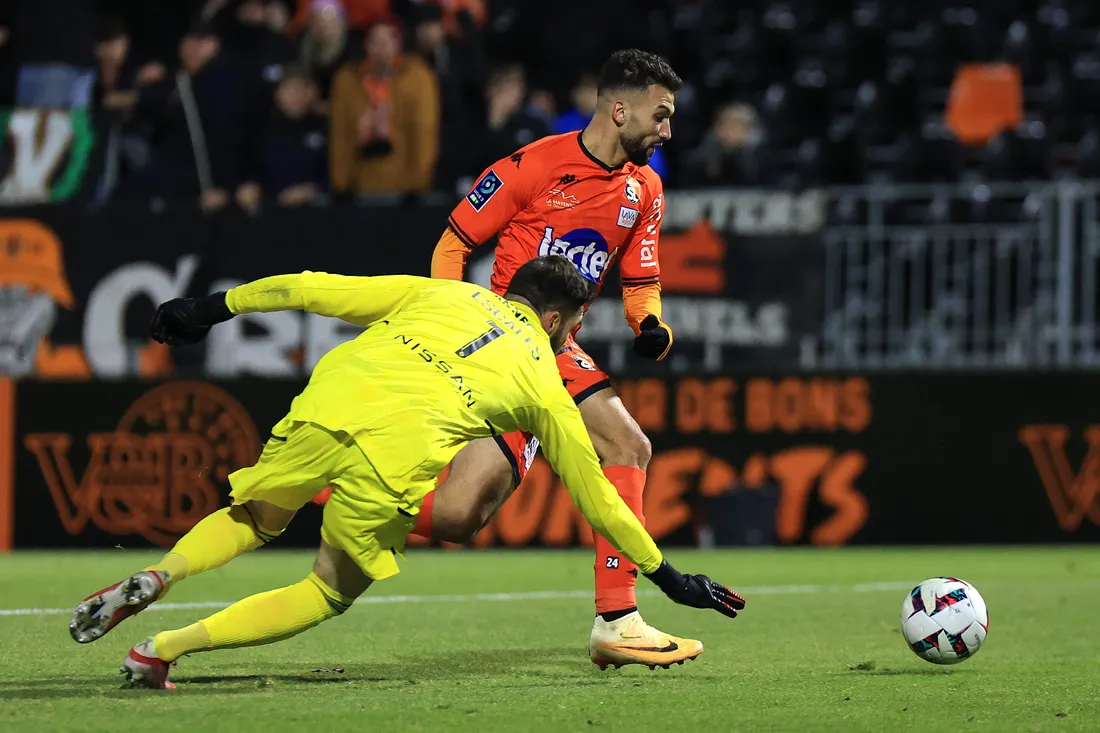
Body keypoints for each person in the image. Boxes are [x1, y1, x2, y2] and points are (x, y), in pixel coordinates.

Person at [67, 257, 746, 689]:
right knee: (326, 590)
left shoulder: (442, 294)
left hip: (324, 407)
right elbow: (599, 496)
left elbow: (314, 288)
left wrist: (213, 309)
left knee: (252, 516)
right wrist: (668, 576)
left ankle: (160, 574)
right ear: (552, 319)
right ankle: (162, 647)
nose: (570, 338)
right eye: (571, 327)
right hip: (388, 460)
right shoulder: (544, 377)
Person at [426, 48, 688, 669]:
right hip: (500, 344)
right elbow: (453, 243)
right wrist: (452, 323)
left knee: (625, 448)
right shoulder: (536, 164)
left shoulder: (645, 189)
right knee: (461, 516)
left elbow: (639, 283)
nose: (667, 130)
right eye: (661, 114)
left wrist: (650, 325)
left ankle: (616, 620)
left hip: (558, 348)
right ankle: (324, 494)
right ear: (620, 109)